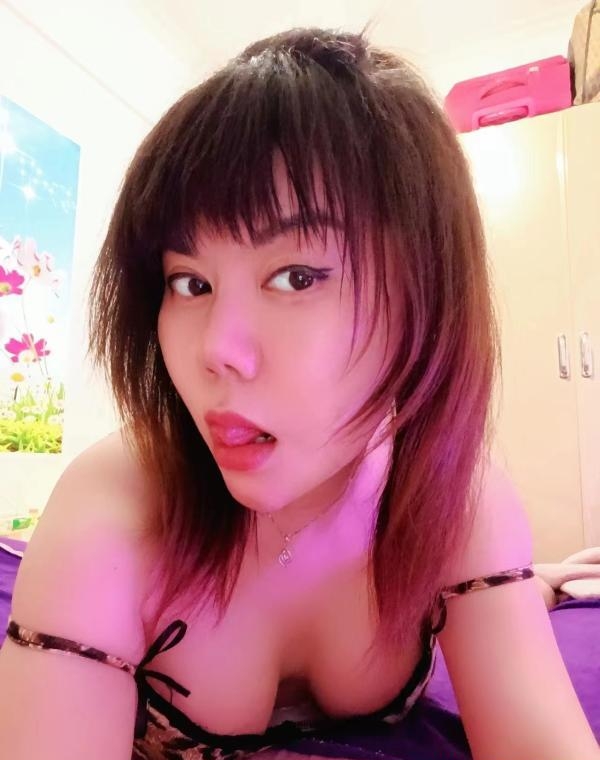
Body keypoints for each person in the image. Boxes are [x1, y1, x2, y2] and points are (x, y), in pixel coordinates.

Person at [0, 26, 598, 760]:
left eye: (296, 277)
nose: (216, 350)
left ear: (425, 293)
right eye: (190, 282)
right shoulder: (110, 514)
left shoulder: (457, 498)